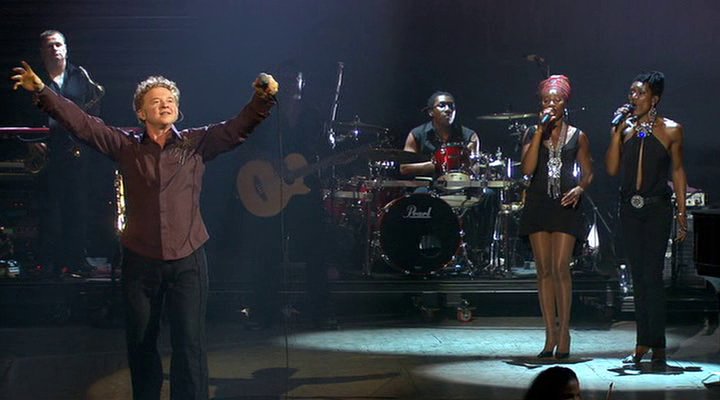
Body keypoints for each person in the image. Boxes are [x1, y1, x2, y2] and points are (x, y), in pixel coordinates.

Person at [12, 61, 278, 400]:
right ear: (141, 112)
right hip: (141, 261)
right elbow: (83, 124)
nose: (165, 104)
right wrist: (43, 91)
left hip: (188, 260)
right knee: (141, 344)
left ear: (178, 109)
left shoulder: (196, 143)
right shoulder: (126, 145)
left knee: (190, 345)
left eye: (170, 100)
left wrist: (262, 99)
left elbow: (237, 128)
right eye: (156, 101)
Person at [605, 71, 687, 368]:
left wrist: (681, 214)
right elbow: (612, 169)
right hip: (630, 209)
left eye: (640, 93)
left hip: (657, 209)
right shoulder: (626, 129)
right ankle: (642, 344)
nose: (633, 98)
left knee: (652, 277)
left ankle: (659, 346)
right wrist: (615, 133)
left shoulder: (671, 130)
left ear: (654, 99)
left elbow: (678, 171)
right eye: (631, 92)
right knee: (637, 278)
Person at [518, 75, 593, 360]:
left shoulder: (578, 135)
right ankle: (550, 334)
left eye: (556, 99)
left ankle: (565, 333)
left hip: (565, 204)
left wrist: (580, 188)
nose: (551, 104)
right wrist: (539, 131)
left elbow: (589, 172)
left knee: (561, 267)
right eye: (546, 100)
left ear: (565, 102)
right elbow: (527, 169)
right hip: (538, 203)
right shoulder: (531, 132)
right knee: (544, 270)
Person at [34, 30, 107, 276]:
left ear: (66, 49)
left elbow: (91, 113)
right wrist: (34, 142)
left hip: (75, 151)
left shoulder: (81, 77)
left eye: (58, 45)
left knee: (77, 207)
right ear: (42, 52)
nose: (55, 49)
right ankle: (47, 263)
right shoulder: (34, 78)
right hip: (46, 151)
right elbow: (25, 113)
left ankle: (76, 260)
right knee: (49, 209)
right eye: (49, 46)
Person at [399, 92, 496, 267]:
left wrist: (464, 163)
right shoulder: (417, 134)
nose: (448, 109)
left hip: (462, 186)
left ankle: (480, 250)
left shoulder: (469, 135)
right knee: (419, 195)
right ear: (431, 111)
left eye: (451, 106)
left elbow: (475, 169)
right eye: (442, 105)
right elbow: (404, 168)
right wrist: (437, 165)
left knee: (489, 195)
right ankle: (428, 251)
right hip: (432, 186)